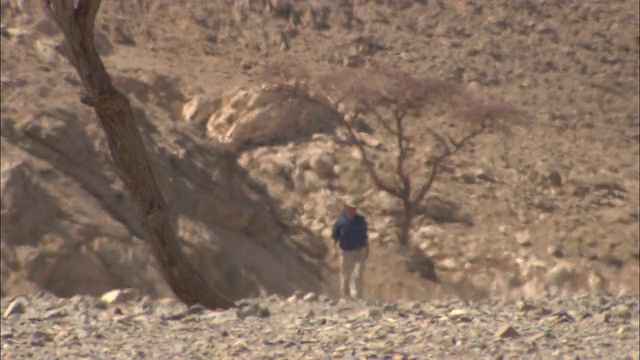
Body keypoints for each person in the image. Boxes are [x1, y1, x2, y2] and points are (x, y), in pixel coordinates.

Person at [330, 197, 369, 299]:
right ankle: (345, 297)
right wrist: (333, 249)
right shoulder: (340, 222)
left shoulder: (361, 220)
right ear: (346, 208)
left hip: (359, 252)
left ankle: (357, 297)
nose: (352, 210)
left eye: (354, 208)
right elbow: (334, 237)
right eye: (350, 208)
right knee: (345, 276)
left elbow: (364, 235)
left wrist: (367, 248)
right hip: (345, 252)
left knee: (357, 275)